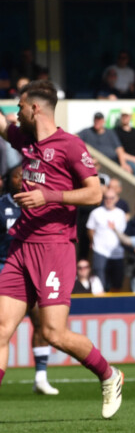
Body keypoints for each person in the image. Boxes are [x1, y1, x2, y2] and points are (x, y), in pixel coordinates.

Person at [0, 80, 123, 416]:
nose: (16, 113)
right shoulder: (26, 141)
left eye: (19, 107)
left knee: (54, 332)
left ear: (34, 108)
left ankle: (109, 374)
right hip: (21, 247)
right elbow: (2, 124)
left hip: (55, 248)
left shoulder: (70, 145)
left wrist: (49, 196)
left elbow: (95, 193)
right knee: (1, 328)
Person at [0, 164, 60, 394]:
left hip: (32, 268)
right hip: (4, 266)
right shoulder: (2, 205)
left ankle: (41, 377)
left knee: (41, 322)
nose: (21, 180)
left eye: (25, 176)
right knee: (4, 327)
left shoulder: (38, 205)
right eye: (17, 176)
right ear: (9, 180)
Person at [86, 189, 127, 291]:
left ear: (116, 199)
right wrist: (93, 241)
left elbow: (123, 233)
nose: (109, 200)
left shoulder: (121, 214)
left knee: (117, 282)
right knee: (99, 282)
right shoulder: (96, 212)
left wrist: (114, 228)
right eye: (106, 198)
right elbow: (90, 229)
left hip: (116, 252)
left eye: (111, 198)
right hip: (100, 251)